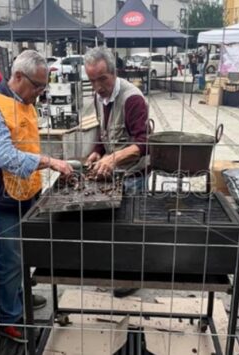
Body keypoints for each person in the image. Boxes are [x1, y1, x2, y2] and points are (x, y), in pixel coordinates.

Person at [0, 50, 73, 343]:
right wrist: (50, 162)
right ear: (17, 77)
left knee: (24, 250)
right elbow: (7, 158)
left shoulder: (25, 102)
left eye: (43, 86)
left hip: (25, 191)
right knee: (10, 257)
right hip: (0, 195)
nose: (41, 92)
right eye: (38, 86)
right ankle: (8, 319)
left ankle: (19, 296)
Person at [83, 47, 149, 298]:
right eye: (92, 81)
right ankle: (115, 269)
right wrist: (97, 152)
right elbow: (104, 131)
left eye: (102, 79)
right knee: (114, 227)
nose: (98, 87)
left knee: (130, 230)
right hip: (113, 174)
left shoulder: (132, 99)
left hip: (133, 175)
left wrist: (114, 158)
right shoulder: (99, 97)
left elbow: (144, 143)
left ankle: (131, 277)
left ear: (114, 73)